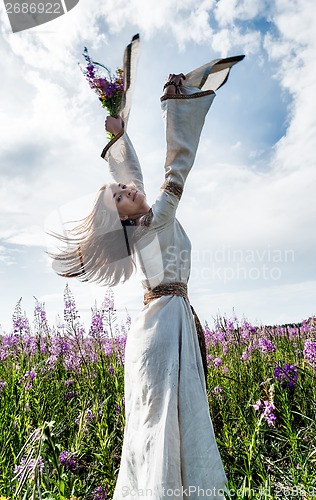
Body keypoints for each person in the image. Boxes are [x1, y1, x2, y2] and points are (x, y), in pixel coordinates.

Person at [52, 37, 244, 499]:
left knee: (156, 423)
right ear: (119, 216)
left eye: (120, 189)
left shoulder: (140, 226)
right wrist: (178, 106)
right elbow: (176, 169)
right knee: (169, 421)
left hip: (155, 329)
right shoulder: (154, 219)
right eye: (117, 197)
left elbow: (132, 175)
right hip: (163, 332)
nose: (125, 190)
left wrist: (118, 136)